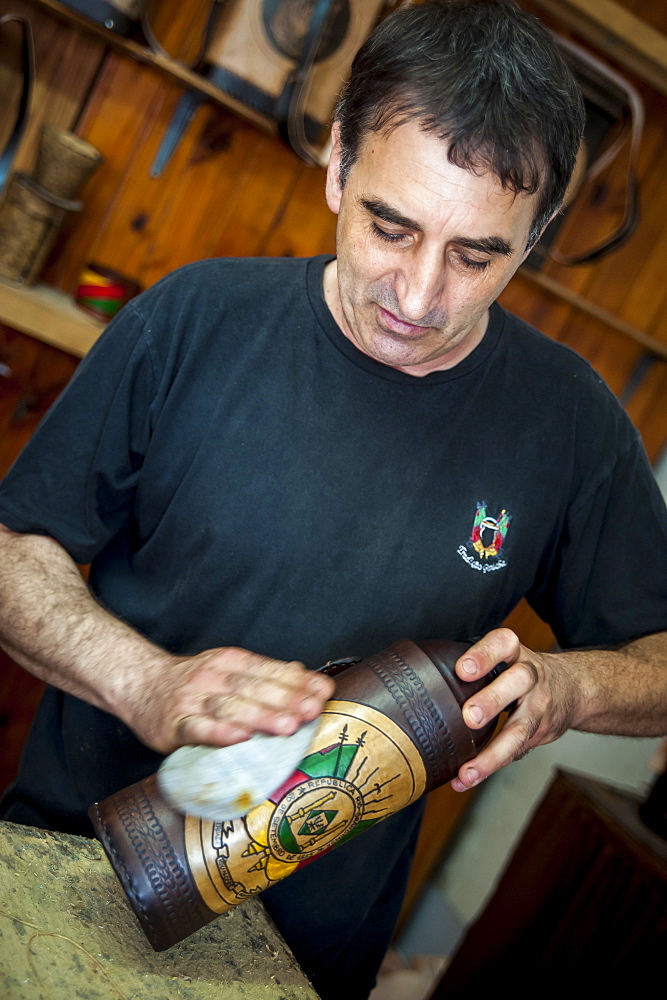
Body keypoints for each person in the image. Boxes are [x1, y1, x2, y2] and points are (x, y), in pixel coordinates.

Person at [0, 1, 665, 997]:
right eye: (389, 226)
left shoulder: (568, 423)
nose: (416, 294)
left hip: (297, 958)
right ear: (337, 163)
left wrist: (571, 687)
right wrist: (143, 681)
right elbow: (17, 548)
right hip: (70, 871)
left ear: (536, 237)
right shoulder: (194, 319)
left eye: (475, 255)